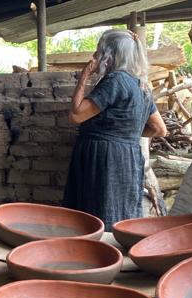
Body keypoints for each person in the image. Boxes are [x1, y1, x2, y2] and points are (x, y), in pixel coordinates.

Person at [63, 29, 167, 228]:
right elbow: (159, 128)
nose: (95, 56)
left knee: (96, 211)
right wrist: (127, 133)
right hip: (127, 156)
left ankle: (96, 252)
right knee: (120, 212)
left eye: (99, 51)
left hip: (103, 157)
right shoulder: (141, 86)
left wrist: (83, 76)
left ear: (109, 54)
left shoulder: (116, 80)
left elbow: (76, 115)